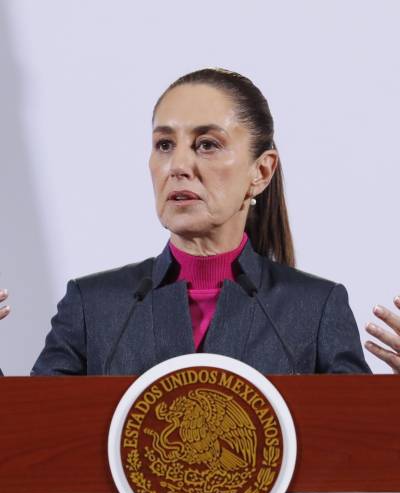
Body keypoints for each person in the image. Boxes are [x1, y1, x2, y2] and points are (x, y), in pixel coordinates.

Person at [0, 68, 393, 376]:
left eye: (207, 144)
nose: (178, 166)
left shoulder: (315, 308)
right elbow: (28, 439)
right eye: (164, 145)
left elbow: (355, 454)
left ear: (261, 170)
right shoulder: (92, 307)